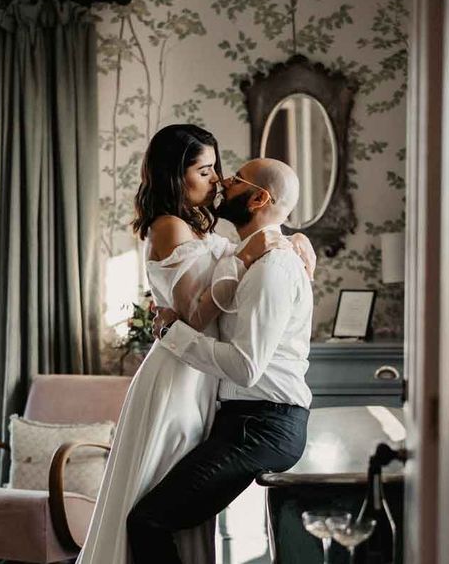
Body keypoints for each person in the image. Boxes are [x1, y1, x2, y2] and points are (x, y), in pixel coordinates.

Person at [76, 124, 314, 564]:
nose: (218, 180)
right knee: (151, 502)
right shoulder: (169, 226)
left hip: (207, 379)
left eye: (219, 171)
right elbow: (195, 314)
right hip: (179, 379)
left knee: (175, 510)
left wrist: (294, 237)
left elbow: (255, 246)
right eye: (205, 170)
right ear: (174, 174)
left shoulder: (204, 229)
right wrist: (243, 258)